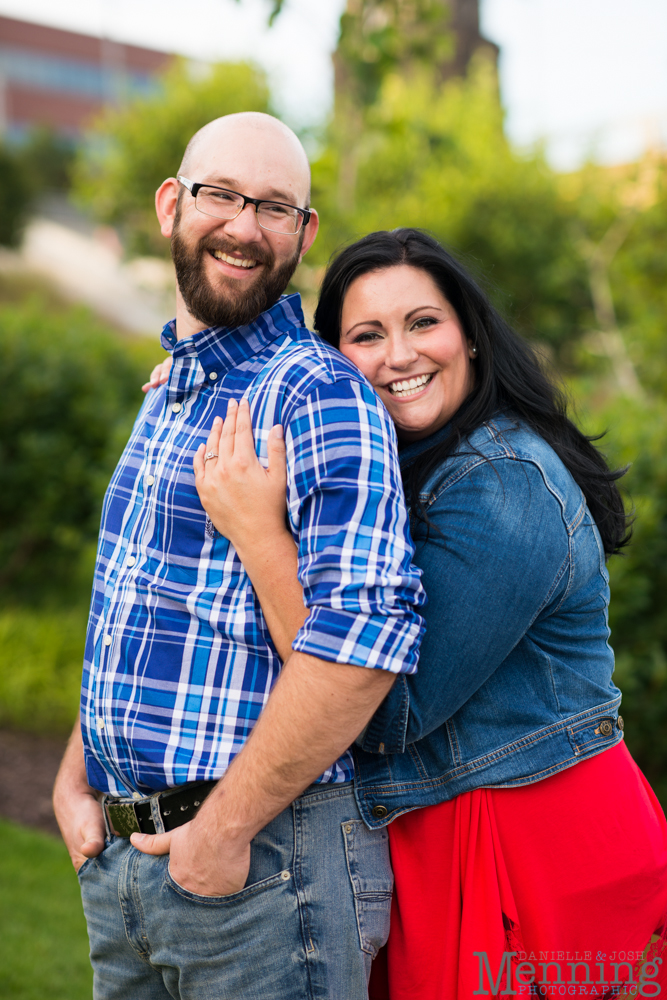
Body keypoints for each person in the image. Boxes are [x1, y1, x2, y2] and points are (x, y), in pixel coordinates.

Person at [189, 228, 667, 999]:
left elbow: (379, 713)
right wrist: (190, 371)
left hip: (532, 849)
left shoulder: (503, 484)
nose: (399, 356)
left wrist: (258, 533)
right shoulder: (397, 470)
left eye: (422, 323)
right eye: (366, 335)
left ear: (469, 338)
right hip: (437, 839)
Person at [52, 114, 426, 1000]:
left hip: (263, 871)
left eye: (273, 206)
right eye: (222, 194)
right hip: (125, 866)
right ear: (171, 204)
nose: (244, 225)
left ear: (304, 233)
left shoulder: (317, 391)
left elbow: (362, 644)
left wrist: (223, 833)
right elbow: (139, 603)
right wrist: (76, 778)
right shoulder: (172, 390)